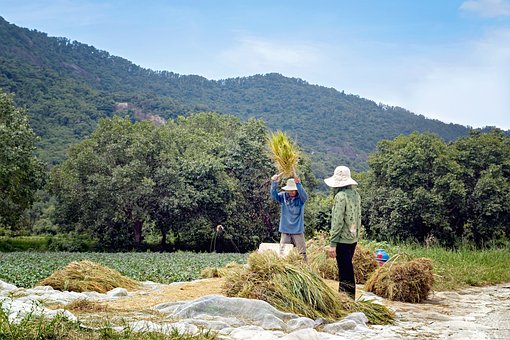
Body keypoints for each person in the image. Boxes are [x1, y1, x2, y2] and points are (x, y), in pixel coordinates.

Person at [324, 166, 361, 300]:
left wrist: (333, 243)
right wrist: (356, 235)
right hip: (353, 238)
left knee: (345, 272)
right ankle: (348, 298)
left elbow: (337, 221)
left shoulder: (340, 196)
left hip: (342, 240)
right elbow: (358, 217)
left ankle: (346, 299)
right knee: (348, 268)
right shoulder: (355, 194)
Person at [270, 172, 308, 261]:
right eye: (289, 190)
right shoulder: (283, 196)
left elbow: (305, 196)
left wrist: (298, 183)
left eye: (293, 190)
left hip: (297, 230)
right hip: (285, 230)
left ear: (297, 190)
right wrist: (274, 182)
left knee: (302, 253)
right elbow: (273, 195)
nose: (291, 192)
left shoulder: (300, 199)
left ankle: (305, 269)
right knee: (283, 253)